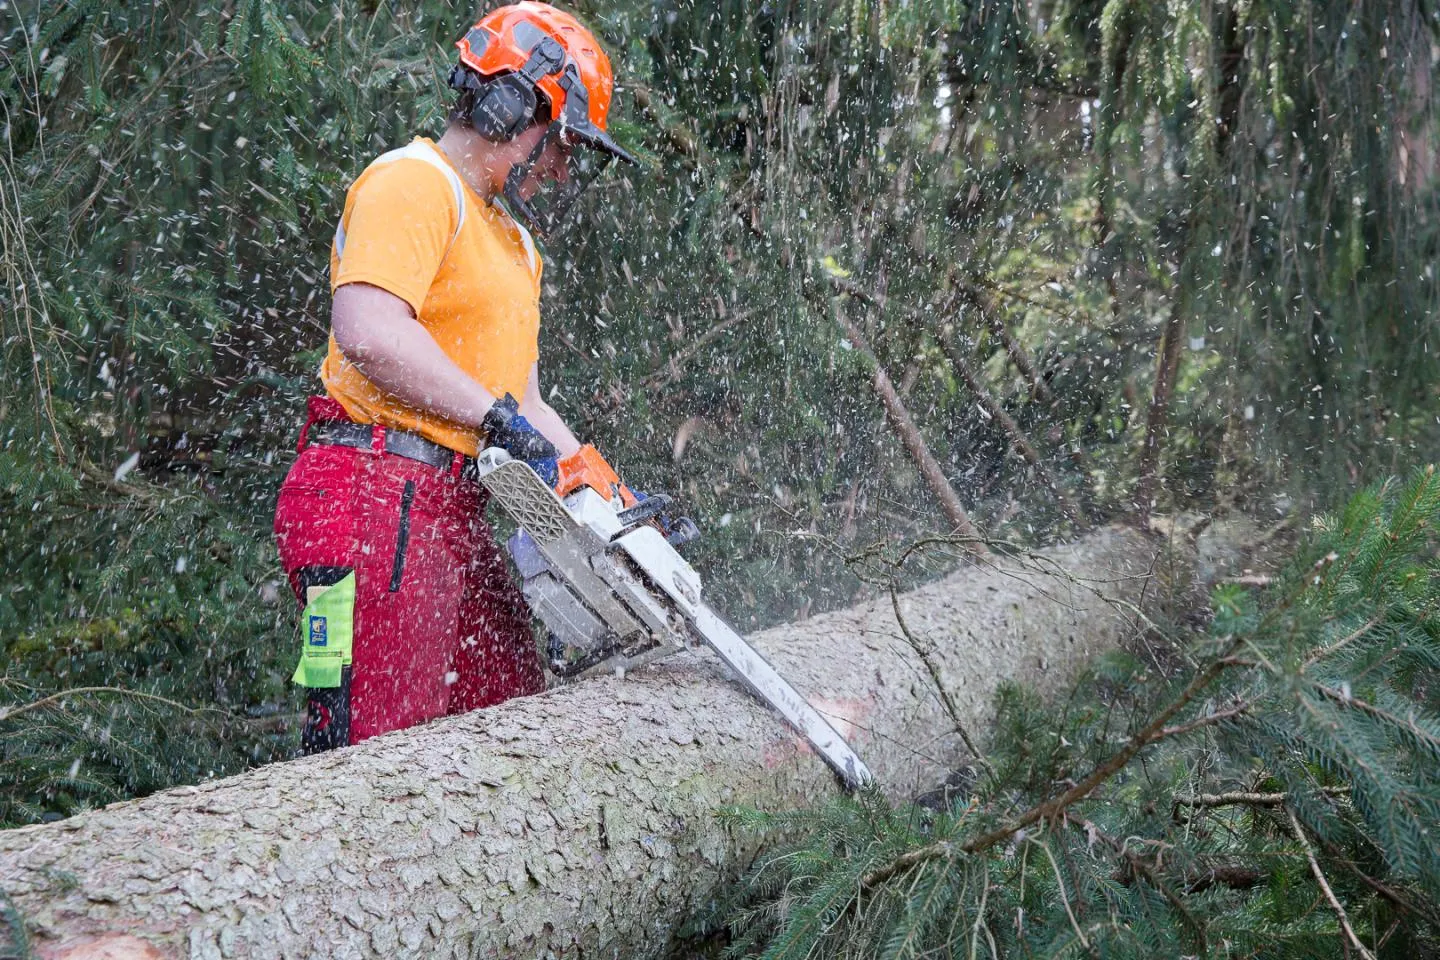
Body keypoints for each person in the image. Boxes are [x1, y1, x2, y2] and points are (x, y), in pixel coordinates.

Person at [273, 1, 636, 753]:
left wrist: (612, 497)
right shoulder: (413, 182)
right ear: (514, 107)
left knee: (508, 722)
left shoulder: (513, 245)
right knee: (372, 746)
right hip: (369, 494)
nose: (565, 167)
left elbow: (524, 402)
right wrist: (492, 417)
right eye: (563, 143)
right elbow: (370, 332)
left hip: (454, 509)